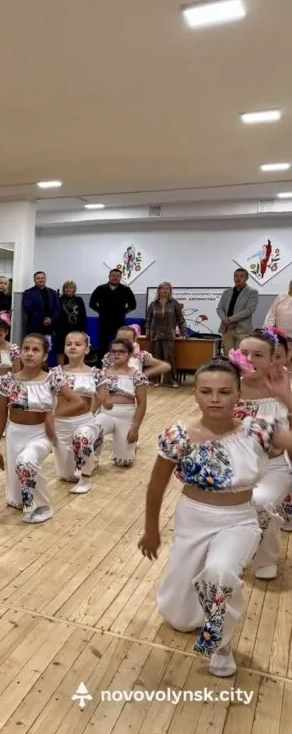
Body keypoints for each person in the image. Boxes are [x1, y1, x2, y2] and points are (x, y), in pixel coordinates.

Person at [141, 357, 292, 677]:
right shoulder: (178, 435)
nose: (215, 399)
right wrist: (151, 529)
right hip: (192, 519)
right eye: (206, 391)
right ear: (194, 393)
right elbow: (156, 485)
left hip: (239, 520)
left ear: (238, 395)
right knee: (181, 618)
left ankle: (220, 642)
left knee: (220, 571)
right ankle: (192, 611)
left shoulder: (259, 430)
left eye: (224, 392)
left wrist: (287, 399)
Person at [0, 334, 82, 522]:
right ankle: (26, 500)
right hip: (15, 433)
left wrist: (53, 415)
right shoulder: (9, 381)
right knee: (17, 497)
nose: (29, 353)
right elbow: (1, 416)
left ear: (44, 356)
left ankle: (43, 507)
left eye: (35, 350)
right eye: (26, 349)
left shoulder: (51, 379)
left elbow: (78, 402)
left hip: (41, 434)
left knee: (26, 461)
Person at [228, 329, 292, 581]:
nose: (250, 359)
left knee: (261, 502)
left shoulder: (284, 384)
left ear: (272, 358)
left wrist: (284, 396)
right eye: (244, 353)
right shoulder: (227, 385)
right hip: (235, 467)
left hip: (273, 468)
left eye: (258, 354)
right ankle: (237, 553)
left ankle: (265, 558)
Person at [50, 332, 103, 494]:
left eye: (77, 344)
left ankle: (85, 479)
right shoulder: (56, 372)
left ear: (86, 349)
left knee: (83, 437)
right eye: (69, 344)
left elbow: (101, 397)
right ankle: (88, 457)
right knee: (67, 476)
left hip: (85, 421)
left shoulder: (96, 373)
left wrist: (92, 413)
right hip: (61, 424)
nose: (72, 347)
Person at [95, 338, 148, 467]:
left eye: (121, 351)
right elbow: (96, 398)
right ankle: (92, 458)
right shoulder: (101, 374)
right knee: (92, 430)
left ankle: (126, 450)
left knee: (124, 462)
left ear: (129, 354)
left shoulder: (137, 375)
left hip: (126, 417)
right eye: (113, 351)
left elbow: (142, 404)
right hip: (105, 414)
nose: (117, 354)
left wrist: (135, 428)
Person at [89, 269, 137, 361]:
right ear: (109, 277)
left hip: (119, 321)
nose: (115, 277)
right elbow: (92, 304)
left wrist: (123, 312)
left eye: (117, 276)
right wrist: (101, 311)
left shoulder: (126, 290)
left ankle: (118, 362)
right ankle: (103, 363)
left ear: (120, 277)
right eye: (113, 275)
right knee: (103, 343)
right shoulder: (100, 289)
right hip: (104, 321)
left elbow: (133, 305)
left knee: (119, 344)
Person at [145, 282, 187, 388]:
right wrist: (147, 332)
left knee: (169, 357)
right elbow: (148, 320)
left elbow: (180, 319)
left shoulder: (174, 303)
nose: (164, 290)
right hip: (155, 334)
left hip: (169, 334)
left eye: (167, 288)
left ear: (170, 291)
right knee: (155, 357)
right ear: (159, 290)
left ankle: (170, 380)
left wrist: (184, 331)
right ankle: (154, 380)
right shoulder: (153, 304)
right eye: (162, 288)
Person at [216, 268, 259, 354]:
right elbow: (219, 308)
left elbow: (249, 310)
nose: (238, 278)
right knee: (228, 356)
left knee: (241, 357)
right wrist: (225, 320)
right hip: (227, 329)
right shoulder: (226, 292)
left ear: (246, 278)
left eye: (242, 276)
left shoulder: (252, 292)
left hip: (242, 330)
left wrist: (230, 320)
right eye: (236, 276)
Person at [21, 272, 61, 362]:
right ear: (34, 280)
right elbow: (28, 309)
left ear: (45, 279)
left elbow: (58, 309)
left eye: (42, 278)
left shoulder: (53, 292)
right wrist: (43, 319)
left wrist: (51, 319)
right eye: (38, 278)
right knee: (35, 349)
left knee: (48, 350)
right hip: (35, 327)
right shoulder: (28, 293)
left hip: (50, 327)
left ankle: (46, 368)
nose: (40, 280)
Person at [54, 280, 87, 367]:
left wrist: (83, 330)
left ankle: (76, 367)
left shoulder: (79, 300)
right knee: (60, 349)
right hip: (61, 330)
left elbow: (83, 315)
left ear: (74, 289)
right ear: (63, 289)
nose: (68, 290)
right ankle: (60, 369)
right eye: (66, 288)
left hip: (77, 329)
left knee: (76, 349)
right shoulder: (59, 300)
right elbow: (56, 315)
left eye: (71, 288)